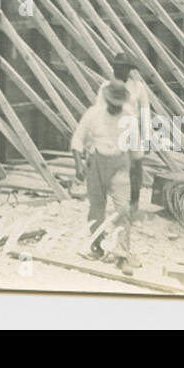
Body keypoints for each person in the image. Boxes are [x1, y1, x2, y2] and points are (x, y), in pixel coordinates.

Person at [71, 79, 138, 272]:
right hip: (97, 162)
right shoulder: (93, 114)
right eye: (112, 103)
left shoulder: (129, 118)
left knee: (122, 209)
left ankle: (122, 254)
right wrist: (79, 164)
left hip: (120, 164)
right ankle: (97, 246)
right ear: (107, 100)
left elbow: (136, 152)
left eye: (119, 104)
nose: (115, 107)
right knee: (96, 208)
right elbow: (77, 138)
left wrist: (135, 180)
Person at [110, 52, 152, 212]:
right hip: (114, 131)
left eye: (122, 68)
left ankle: (134, 204)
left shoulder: (138, 87)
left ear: (128, 70)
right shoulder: (107, 87)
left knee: (135, 168)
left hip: (132, 131)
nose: (118, 71)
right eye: (116, 68)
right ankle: (119, 205)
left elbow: (145, 112)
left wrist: (147, 137)